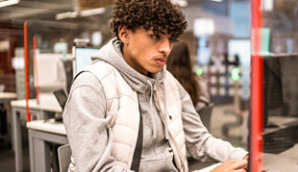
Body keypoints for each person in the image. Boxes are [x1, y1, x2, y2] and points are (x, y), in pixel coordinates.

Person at [63, 0, 248, 171]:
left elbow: (199, 141)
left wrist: (245, 157)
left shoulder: (168, 83)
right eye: (155, 36)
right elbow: (98, 168)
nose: (166, 48)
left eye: (171, 39)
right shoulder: (92, 86)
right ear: (124, 33)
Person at [166, 41, 210, 111]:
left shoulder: (164, 81)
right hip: (195, 118)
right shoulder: (198, 81)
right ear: (188, 58)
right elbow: (206, 101)